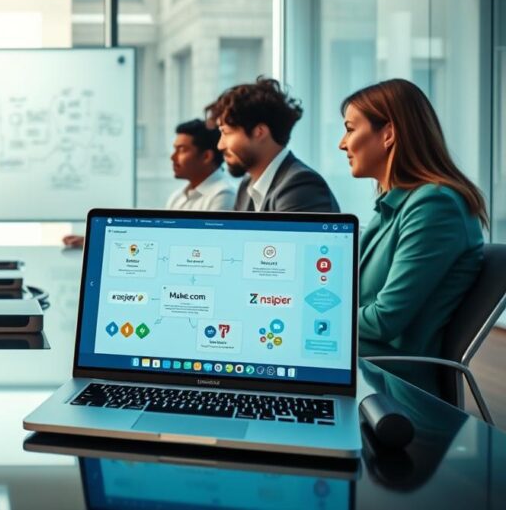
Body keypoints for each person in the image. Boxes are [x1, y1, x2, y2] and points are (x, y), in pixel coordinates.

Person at [339, 79, 485, 394]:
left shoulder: (435, 205)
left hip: (394, 384)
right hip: (363, 365)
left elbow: (384, 320)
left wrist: (308, 318)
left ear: (388, 134)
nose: (342, 143)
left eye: (350, 129)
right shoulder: (392, 206)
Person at [63, 119, 235, 248]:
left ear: (206, 156)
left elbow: (202, 249)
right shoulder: (178, 197)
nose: (172, 157)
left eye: (181, 150)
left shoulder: (223, 195)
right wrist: (97, 241)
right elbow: (159, 239)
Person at [206, 77, 340, 213]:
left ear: (260, 132)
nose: (220, 145)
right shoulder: (247, 185)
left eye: (226, 132)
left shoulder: (300, 186)